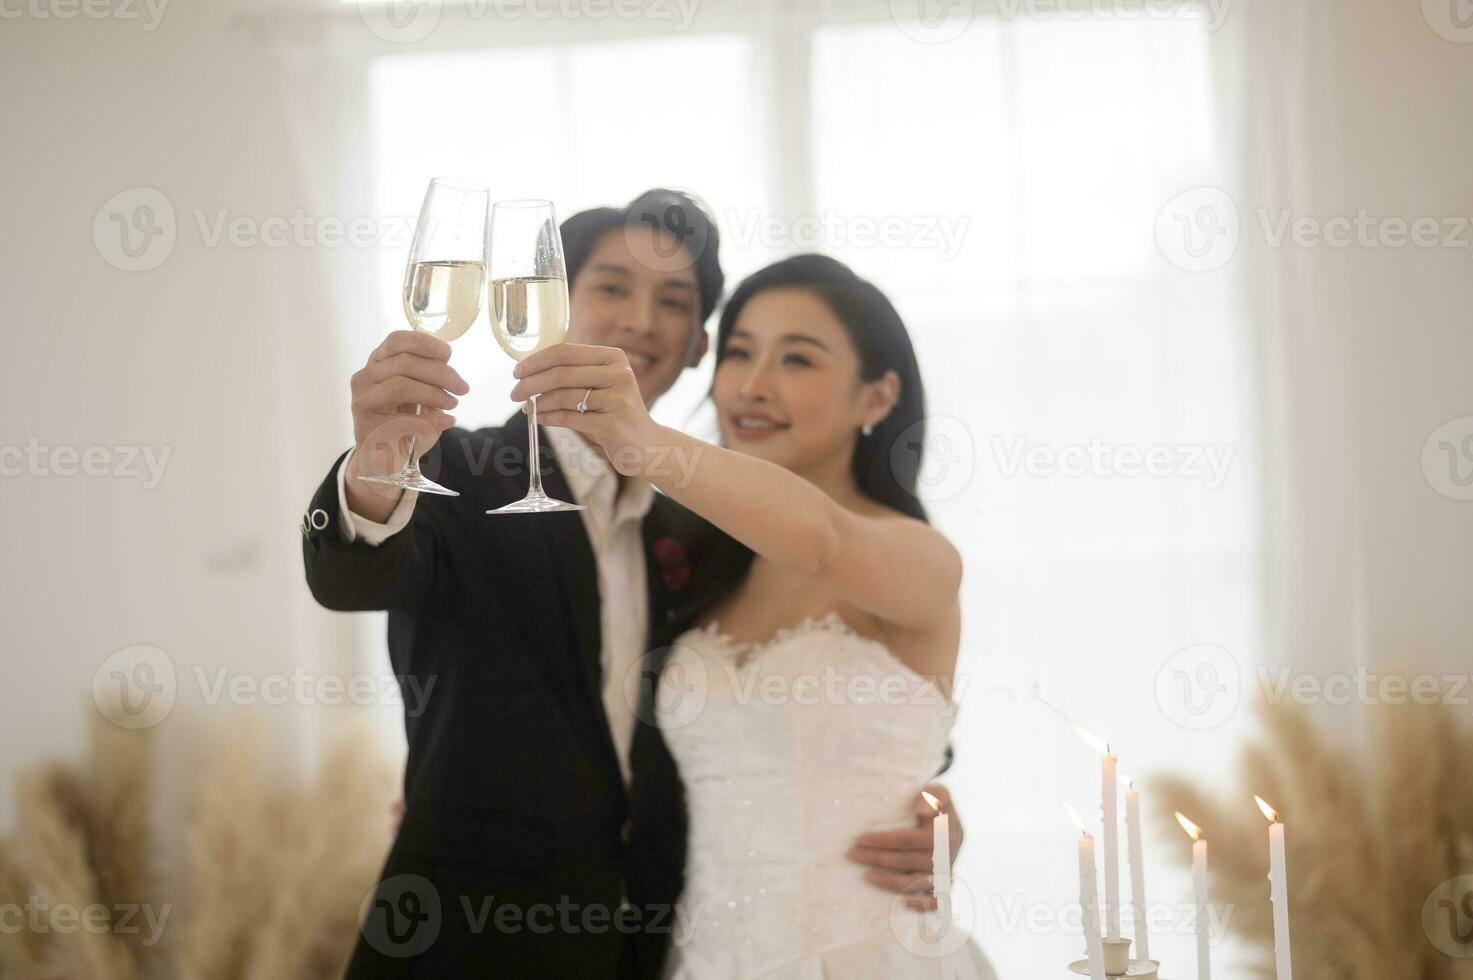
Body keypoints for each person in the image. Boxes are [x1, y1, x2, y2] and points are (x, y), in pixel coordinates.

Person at [300, 192, 962, 978]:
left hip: (657, 950)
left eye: (673, 303)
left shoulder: (693, 535)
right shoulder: (459, 473)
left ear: (692, 348)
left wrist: (927, 810)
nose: (642, 320)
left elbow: (868, 722)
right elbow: (353, 571)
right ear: (552, 310)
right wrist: (374, 470)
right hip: (473, 944)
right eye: (611, 287)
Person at [509, 253, 995, 977]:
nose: (752, 386)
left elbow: (820, 541)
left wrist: (643, 441)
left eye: (796, 359)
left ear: (877, 396)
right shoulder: (685, 556)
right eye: (738, 353)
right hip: (701, 956)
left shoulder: (921, 560)